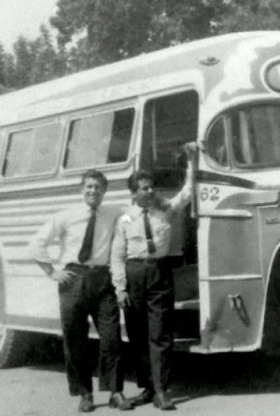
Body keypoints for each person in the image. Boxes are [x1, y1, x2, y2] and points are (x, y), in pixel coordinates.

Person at [30, 169, 133, 413]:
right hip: (73, 279)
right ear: (81, 190)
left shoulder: (114, 213)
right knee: (75, 339)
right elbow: (36, 243)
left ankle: (115, 392)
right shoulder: (66, 215)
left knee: (111, 338)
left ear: (104, 191)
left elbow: (137, 213)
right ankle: (84, 393)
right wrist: (51, 272)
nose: (93, 191)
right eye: (88, 187)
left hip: (102, 278)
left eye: (98, 187)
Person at [111, 143, 196, 411]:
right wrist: (120, 288)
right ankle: (147, 387)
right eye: (144, 188)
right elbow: (117, 255)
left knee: (160, 334)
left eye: (151, 186)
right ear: (134, 193)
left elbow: (187, 193)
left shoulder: (165, 209)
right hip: (134, 274)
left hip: (159, 272)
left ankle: (161, 390)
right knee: (137, 335)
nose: (150, 190)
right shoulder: (124, 218)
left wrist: (191, 164)